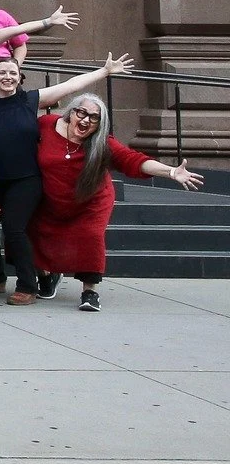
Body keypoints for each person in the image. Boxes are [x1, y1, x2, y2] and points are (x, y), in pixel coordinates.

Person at [0, 53, 132, 305]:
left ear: (19, 78)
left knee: (14, 229)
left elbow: (70, 86)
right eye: (2, 73)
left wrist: (103, 72)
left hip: (25, 179)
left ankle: (27, 286)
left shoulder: (29, 101)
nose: (7, 77)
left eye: (13, 73)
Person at [30, 93, 204, 312]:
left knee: (91, 236)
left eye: (94, 118)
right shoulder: (46, 125)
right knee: (34, 228)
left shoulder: (103, 144)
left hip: (92, 200)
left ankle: (90, 291)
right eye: (81, 113)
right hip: (52, 196)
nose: (85, 120)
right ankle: (47, 275)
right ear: (71, 112)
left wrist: (170, 172)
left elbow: (133, 160)